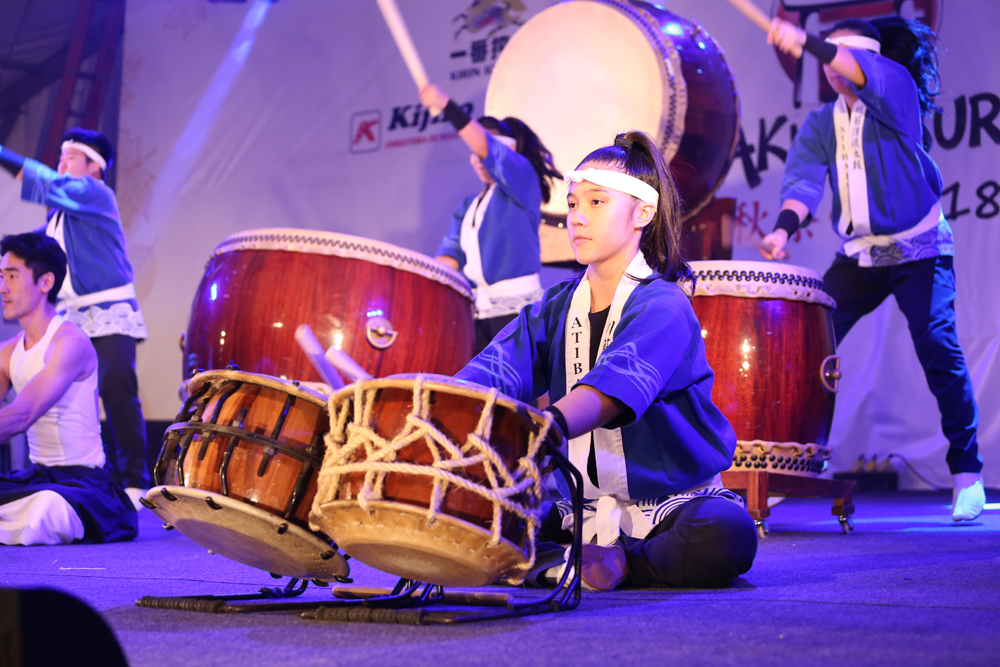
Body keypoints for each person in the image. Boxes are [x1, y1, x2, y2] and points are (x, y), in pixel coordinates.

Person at [455, 131, 757, 591]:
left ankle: (610, 563)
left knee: (726, 534)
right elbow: (495, 368)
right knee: (487, 517)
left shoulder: (665, 305)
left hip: (669, 505)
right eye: (573, 205)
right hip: (580, 509)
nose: (577, 218)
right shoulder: (554, 306)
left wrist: (541, 431)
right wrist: (436, 407)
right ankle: (586, 560)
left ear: (643, 212)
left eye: (596, 203)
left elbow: (613, 389)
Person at [759, 17, 985, 521]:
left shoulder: (895, 91)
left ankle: (967, 472)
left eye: (846, 57)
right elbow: (802, 183)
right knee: (807, 347)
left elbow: (857, 67)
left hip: (919, 249)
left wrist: (809, 40)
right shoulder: (822, 123)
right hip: (860, 256)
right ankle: (788, 468)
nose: (837, 67)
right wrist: (781, 230)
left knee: (936, 345)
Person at [0, 129, 150, 508]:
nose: (61, 163)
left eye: (70, 156)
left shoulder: (96, 193)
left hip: (107, 311)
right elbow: (30, 253)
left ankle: (135, 481)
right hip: (69, 317)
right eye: (61, 157)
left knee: (117, 390)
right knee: (65, 397)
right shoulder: (58, 219)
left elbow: (48, 183)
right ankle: (69, 471)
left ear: (93, 164)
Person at [0, 232, 137, 545]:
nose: (2, 288)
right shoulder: (7, 352)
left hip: (84, 485)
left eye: (12, 276)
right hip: (38, 478)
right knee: (37, 499)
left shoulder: (70, 342)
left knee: (46, 508)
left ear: (45, 282)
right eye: (0, 276)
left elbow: (21, 416)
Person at [420, 84, 562, 354]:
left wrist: (446, 105)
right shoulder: (469, 205)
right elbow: (448, 260)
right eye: (475, 155)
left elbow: (487, 147)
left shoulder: (523, 181)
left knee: (516, 393)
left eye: (487, 153)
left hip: (515, 312)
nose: (481, 160)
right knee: (479, 392)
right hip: (476, 313)